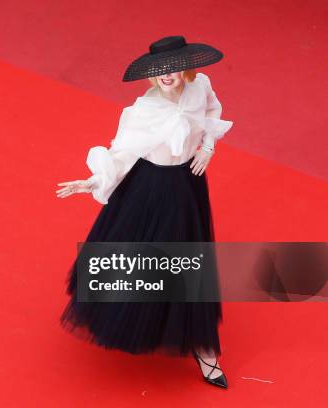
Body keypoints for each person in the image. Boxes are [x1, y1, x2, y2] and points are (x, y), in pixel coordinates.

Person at [55, 35, 233, 388]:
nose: (167, 75)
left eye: (173, 68)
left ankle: (202, 345)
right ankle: (148, 321)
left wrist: (208, 147)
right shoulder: (141, 111)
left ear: (186, 67)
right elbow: (121, 153)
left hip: (188, 184)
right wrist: (92, 182)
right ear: (152, 75)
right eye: (160, 71)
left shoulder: (202, 87)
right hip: (150, 188)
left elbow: (213, 109)